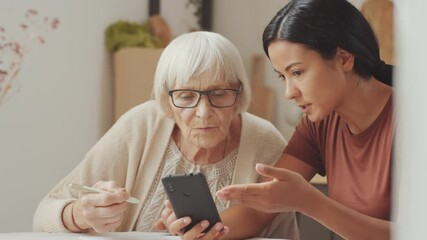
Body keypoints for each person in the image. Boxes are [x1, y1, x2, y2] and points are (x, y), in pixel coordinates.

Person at [32, 31, 299, 239]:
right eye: (185, 96)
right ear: (166, 100)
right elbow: (43, 214)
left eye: (219, 94)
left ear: (239, 96)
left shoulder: (266, 145)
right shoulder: (141, 126)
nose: (203, 113)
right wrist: (79, 215)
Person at [214, 0, 394, 239]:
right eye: (283, 77)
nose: (289, 92)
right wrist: (201, 227)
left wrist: (313, 204)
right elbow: (257, 212)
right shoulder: (318, 123)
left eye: (297, 72)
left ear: (344, 59)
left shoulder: (414, 119)